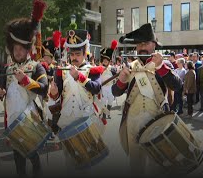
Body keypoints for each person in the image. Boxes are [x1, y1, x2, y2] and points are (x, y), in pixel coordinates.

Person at [113, 23, 182, 176]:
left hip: (157, 122)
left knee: (157, 166)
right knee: (135, 167)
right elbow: (116, 92)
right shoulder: (130, 67)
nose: (142, 46)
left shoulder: (164, 64)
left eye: (146, 42)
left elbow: (177, 86)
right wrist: (121, 80)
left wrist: (161, 67)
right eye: (139, 43)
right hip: (132, 123)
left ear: (154, 44)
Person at [0, 0, 47, 177]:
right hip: (12, 120)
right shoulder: (7, 69)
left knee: (34, 157)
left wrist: (25, 80)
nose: (17, 52)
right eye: (15, 48)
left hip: (30, 118)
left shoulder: (36, 67)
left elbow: (44, 88)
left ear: (27, 49)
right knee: (18, 161)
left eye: (21, 48)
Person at [49, 29, 106, 174]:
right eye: (72, 54)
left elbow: (96, 88)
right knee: (69, 161)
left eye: (77, 54)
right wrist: (54, 93)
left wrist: (79, 77)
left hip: (86, 119)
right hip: (67, 120)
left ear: (84, 53)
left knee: (89, 160)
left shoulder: (93, 70)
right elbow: (58, 95)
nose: (74, 57)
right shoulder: (61, 71)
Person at [99, 40, 118, 119]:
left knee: (110, 101)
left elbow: (117, 76)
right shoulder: (99, 69)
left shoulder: (112, 69)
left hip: (110, 87)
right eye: (104, 60)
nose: (105, 61)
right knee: (103, 102)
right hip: (103, 87)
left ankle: (108, 112)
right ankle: (104, 116)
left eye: (106, 60)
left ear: (109, 62)